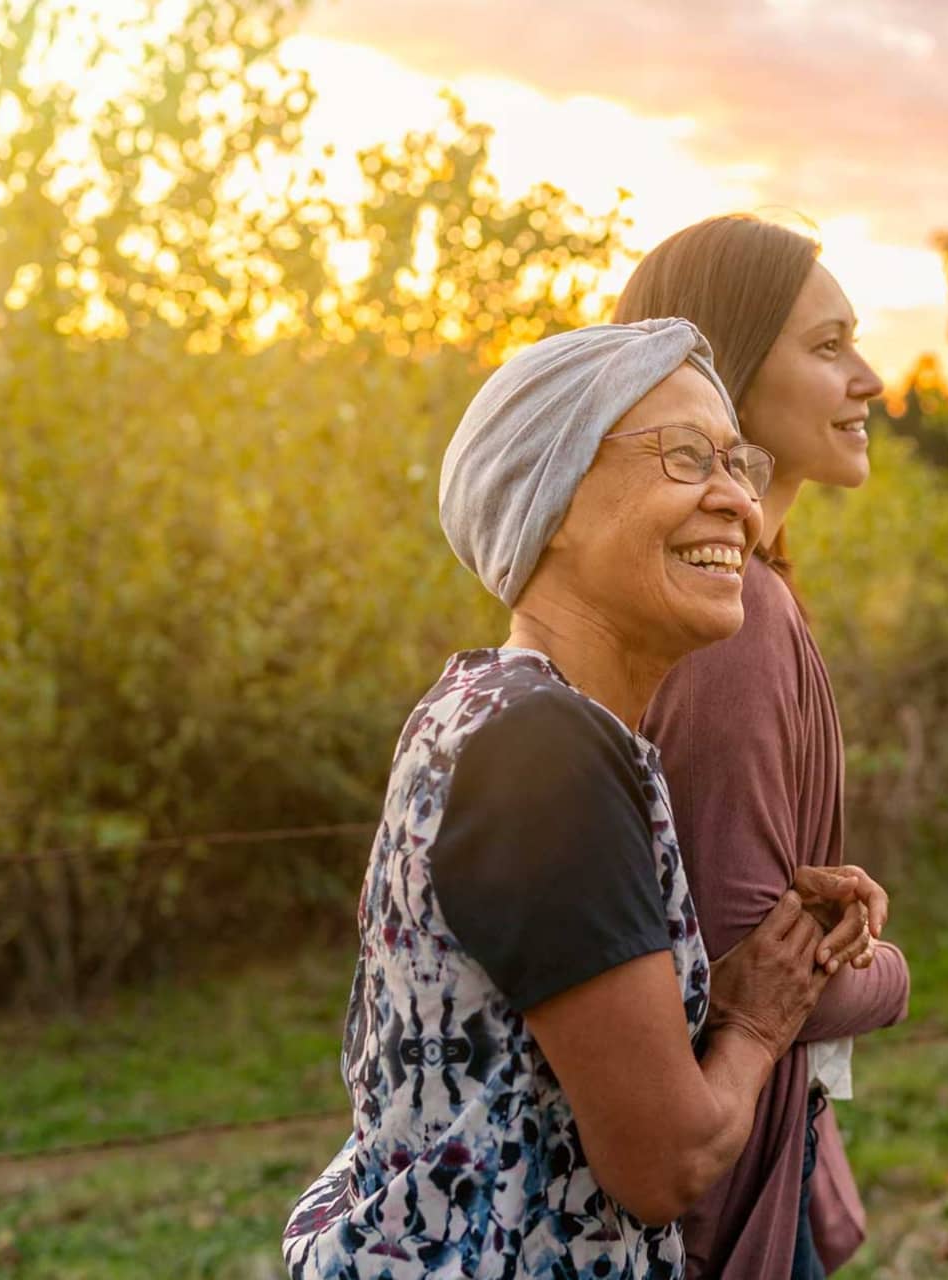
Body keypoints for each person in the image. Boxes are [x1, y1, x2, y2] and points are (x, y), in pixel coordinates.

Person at [281, 318, 886, 1279]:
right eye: (687, 457)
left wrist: (755, 973)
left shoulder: (494, 707)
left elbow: (534, 1052)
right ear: (553, 496)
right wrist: (764, 1025)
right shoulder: (547, 752)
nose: (736, 499)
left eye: (737, 460)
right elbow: (667, 1161)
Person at [614, 216, 911, 1279]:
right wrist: (887, 970)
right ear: (725, 373)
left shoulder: (727, 594)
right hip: (728, 1202)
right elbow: (743, 977)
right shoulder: (732, 621)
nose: (868, 378)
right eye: (827, 347)